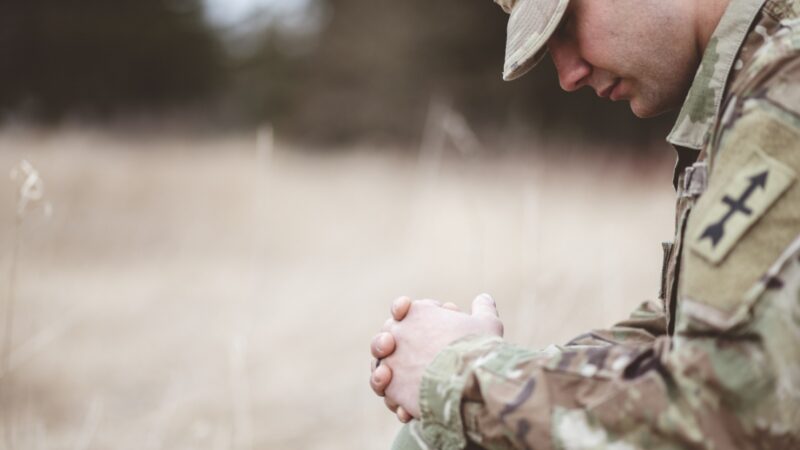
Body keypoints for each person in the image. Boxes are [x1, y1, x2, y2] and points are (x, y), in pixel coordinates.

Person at [369, 0, 800, 448]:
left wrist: (463, 373)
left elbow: (731, 409)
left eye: (568, 23)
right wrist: (497, 368)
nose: (568, 74)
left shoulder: (786, 91)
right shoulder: (756, 81)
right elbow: (689, 332)